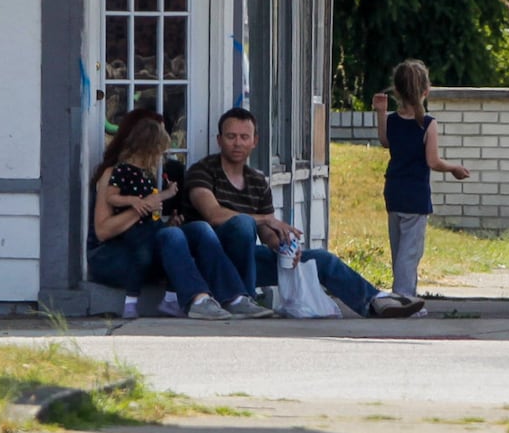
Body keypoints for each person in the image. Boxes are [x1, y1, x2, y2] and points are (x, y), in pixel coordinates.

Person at [182, 107, 426, 318]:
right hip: (210, 261)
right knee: (242, 224)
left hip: (247, 258)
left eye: (244, 137)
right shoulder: (202, 171)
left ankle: (376, 302)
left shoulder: (257, 180)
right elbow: (213, 215)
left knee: (320, 258)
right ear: (219, 139)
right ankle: (242, 298)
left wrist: (283, 245)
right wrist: (264, 219)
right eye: (231, 136)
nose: (237, 143)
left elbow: (267, 233)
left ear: (254, 141)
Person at [87, 113, 267, 321]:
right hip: (117, 256)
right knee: (172, 236)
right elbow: (103, 231)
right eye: (157, 148)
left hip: (146, 248)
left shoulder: (146, 174)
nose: (162, 156)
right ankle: (197, 299)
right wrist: (141, 208)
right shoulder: (113, 173)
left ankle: (235, 298)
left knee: (199, 229)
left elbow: (149, 223)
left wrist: (165, 221)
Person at [373, 60, 471, 299]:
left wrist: (381, 113)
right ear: (425, 91)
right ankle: (404, 297)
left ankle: (402, 293)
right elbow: (433, 161)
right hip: (416, 195)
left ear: (396, 91)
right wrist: (454, 168)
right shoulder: (428, 124)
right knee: (411, 251)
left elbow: (386, 142)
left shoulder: (393, 120)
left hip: (394, 190)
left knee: (399, 249)